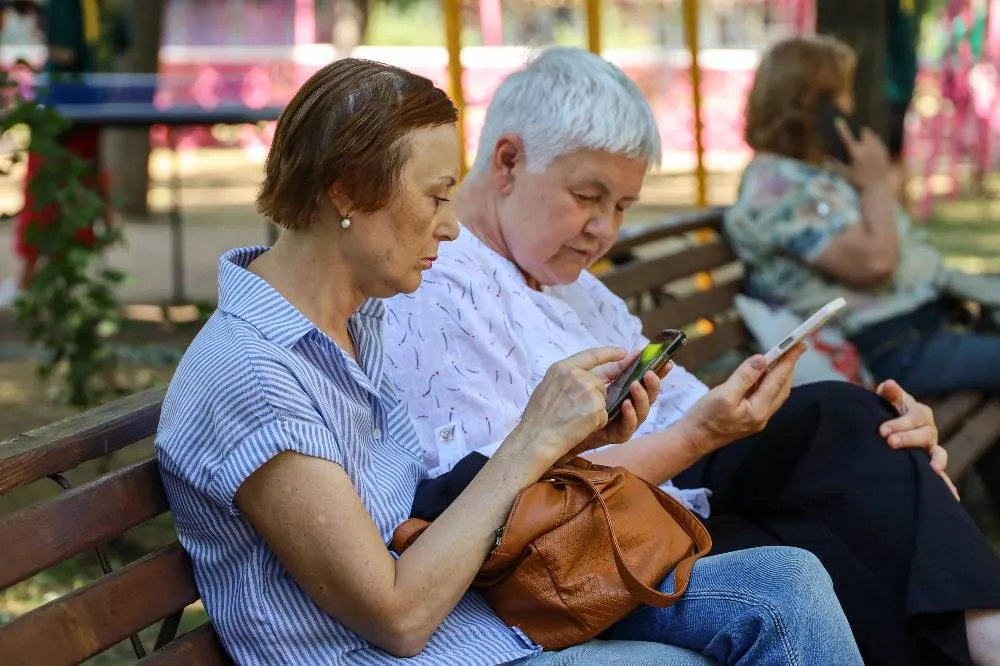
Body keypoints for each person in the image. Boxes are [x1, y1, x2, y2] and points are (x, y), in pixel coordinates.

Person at [154, 59, 863, 666]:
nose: (451, 223)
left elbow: (428, 509)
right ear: (346, 190)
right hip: (425, 647)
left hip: (491, 617)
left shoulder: (354, 323)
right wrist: (531, 440)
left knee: (789, 585)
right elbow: (396, 618)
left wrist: (565, 443)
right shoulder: (253, 375)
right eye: (434, 196)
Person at [382, 46, 1000, 666]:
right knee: (843, 512)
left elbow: (680, 402)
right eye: (588, 195)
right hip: (592, 547)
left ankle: (982, 627)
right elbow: (500, 509)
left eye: (622, 206)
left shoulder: (563, 274)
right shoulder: (438, 285)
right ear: (508, 161)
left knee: (859, 423)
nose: (603, 229)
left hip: (664, 500)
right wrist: (695, 437)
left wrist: (750, 413)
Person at [723, 34, 1000, 513]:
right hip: (895, 349)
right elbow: (874, 264)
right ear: (812, 102)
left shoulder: (813, 174)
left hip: (922, 331)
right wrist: (875, 184)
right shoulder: (775, 185)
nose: (851, 106)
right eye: (842, 93)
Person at [0, 0, 129, 307]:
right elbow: (121, 41)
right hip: (91, 105)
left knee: (44, 195)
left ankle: (26, 282)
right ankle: (72, 281)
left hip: (62, 112)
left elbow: (64, 54)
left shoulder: (65, 5)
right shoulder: (106, 7)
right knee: (85, 188)